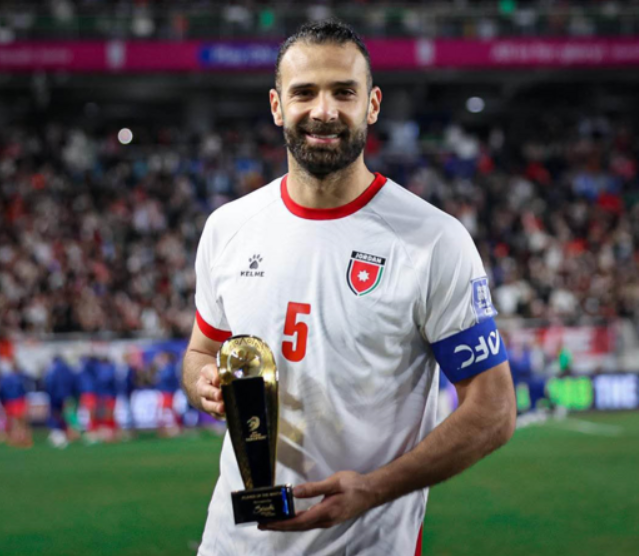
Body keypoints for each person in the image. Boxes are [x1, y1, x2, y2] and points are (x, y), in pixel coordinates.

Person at [182, 20, 516, 555]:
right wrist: (201, 383)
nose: (324, 111)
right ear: (276, 106)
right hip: (233, 542)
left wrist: (376, 488)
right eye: (304, 93)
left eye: (344, 92)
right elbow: (202, 351)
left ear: (372, 104)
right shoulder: (229, 227)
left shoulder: (433, 240)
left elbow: (494, 408)